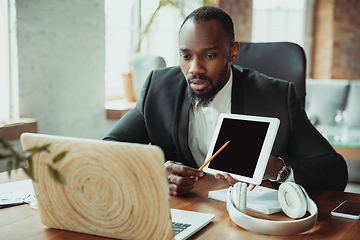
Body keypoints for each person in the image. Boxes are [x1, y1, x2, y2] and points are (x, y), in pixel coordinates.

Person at [104, 6, 348, 196]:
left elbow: (335, 171)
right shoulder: (158, 88)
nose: (194, 68)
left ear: (233, 52)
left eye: (209, 55)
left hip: (250, 222)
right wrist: (154, 174)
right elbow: (107, 151)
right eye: (186, 56)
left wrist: (276, 169)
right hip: (183, 217)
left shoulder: (277, 97)